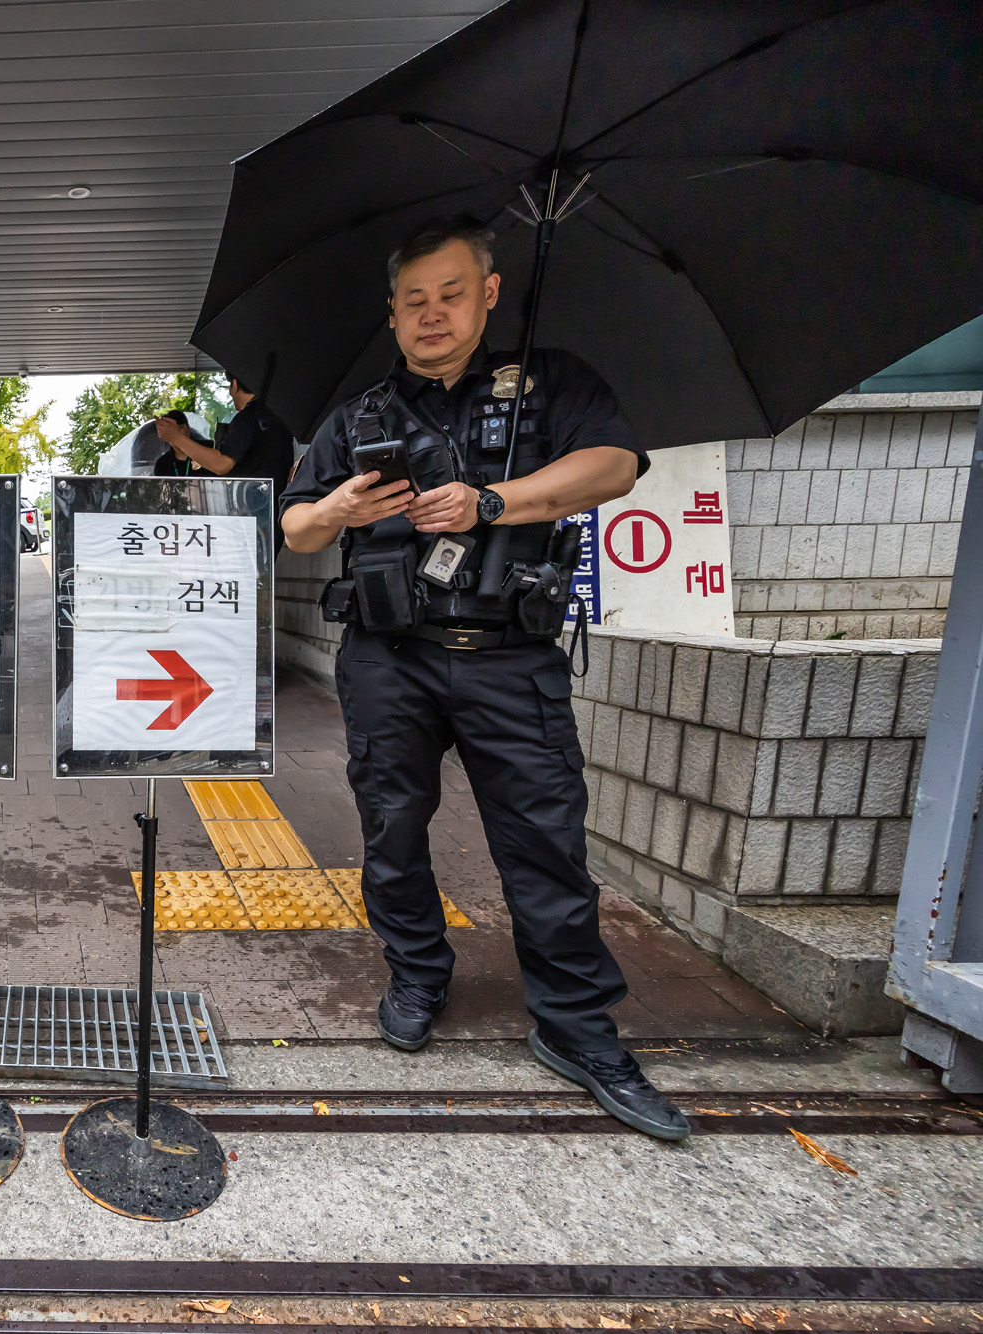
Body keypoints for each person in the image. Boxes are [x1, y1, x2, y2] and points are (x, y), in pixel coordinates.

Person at [278, 215, 688, 1141]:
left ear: (490, 294)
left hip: (512, 656)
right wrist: (338, 505)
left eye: (451, 293)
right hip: (391, 658)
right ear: (392, 314)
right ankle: (418, 973)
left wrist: (491, 500)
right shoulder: (359, 418)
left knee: (544, 844)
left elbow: (616, 465)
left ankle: (579, 1031)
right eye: (414, 300)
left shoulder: (552, 385)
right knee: (392, 828)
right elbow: (296, 528)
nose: (433, 314)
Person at [151, 376, 294, 495]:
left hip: (254, 504)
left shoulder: (246, 418)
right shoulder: (278, 417)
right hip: (278, 501)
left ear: (235, 384)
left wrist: (176, 437)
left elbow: (222, 464)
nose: (231, 394)